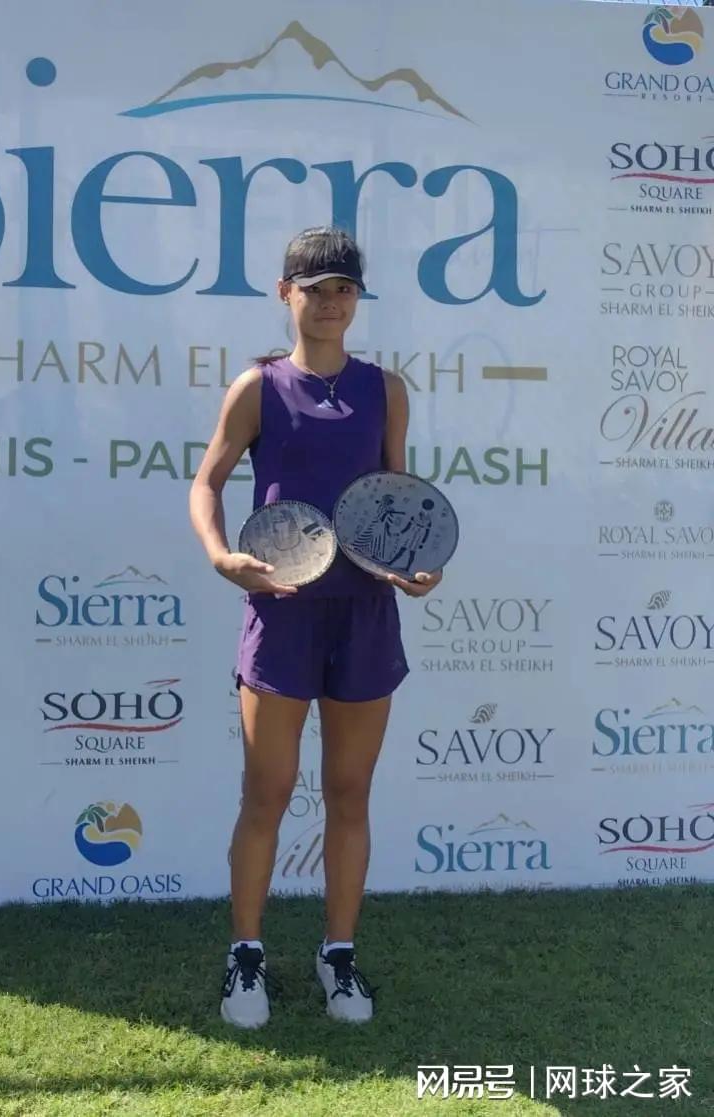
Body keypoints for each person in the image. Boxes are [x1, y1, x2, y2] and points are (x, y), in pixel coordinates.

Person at [188, 226, 441, 1029]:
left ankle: (339, 955)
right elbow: (207, 482)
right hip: (281, 611)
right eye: (316, 289)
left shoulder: (385, 389)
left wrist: (416, 564)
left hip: (366, 612)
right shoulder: (258, 386)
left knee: (349, 791)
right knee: (266, 792)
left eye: (345, 290)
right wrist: (221, 554)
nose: (332, 303)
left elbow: (397, 497)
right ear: (285, 293)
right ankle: (246, 955)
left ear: (356, 299)